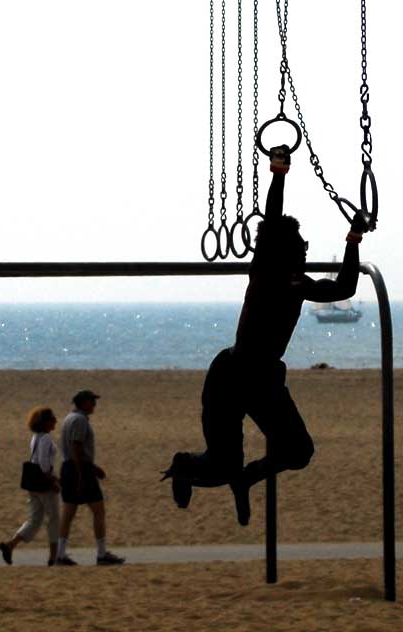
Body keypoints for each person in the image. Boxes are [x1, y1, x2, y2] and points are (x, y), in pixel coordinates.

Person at [163, 145, 369, 525]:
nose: (303, 249)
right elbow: (272, 220)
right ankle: (184, 467)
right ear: (283, 249)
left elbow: (344, 288)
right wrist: (278, 172)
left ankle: (246, 478)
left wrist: (353, 239)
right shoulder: (266, 269)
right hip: (232, 374)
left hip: (264, 380)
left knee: (298, 451)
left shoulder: (297, 281)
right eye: (298, 245)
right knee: (220, 464)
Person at [56, 389, 125, 566]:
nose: (94, 405)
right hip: (79, 469)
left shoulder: (69, 418)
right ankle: (101, 554)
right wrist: (86, 471)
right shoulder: (79, 420)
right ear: (83, 402)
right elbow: (76, 447)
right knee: (98, 510)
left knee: (68, 513)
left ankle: (60, 554)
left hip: (68, 467)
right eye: (92, 401)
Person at [0, 407, 61, 566]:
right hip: (43, 485)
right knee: (54, 519)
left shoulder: (35, 437)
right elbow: (44, 463)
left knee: (34, 519)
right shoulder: (46, 438)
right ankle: (53, 557)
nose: (55, 421)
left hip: (32, 484)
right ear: (46, 422)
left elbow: (37, 460)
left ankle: (10, 545)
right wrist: (52, 481)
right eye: (53, 418)